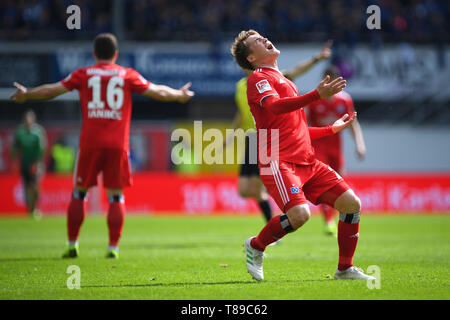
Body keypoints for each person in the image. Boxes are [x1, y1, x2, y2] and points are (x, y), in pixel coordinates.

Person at [11, 33, 194, 259]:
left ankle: (72, 243)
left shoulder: (84, 74)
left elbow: (52, 90)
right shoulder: (127, 75)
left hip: (90, 143)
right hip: (117, 145)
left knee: (79, 193)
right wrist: (179, 95)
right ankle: (113, 247)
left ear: (95, 53)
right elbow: (158, 91)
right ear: (115, 54)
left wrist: (27, 94)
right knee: (116, 197)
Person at [231, 29, 375, 281]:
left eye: (263, 36)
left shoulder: (286, 81)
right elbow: (274, 107)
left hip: (307, 161)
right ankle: (256, 246)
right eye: (257, 42)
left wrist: (332, 129)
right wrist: (317, 95)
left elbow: (298, 130)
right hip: (278, 161)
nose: (265, 39)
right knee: (300, 215)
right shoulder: (258, 78)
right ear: (252, 58)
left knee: (352, 205)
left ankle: (345, 268)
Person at [225, 41, 333, 226]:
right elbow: (242, 113)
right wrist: (230, 136)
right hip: (252, 139)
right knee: (244, 190)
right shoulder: (242, 86)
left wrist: (317, 58)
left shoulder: (274, 78)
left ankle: (274, 225)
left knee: (257, 188)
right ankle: (276, 198)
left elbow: (297, 70)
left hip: (271, 138)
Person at [307, 65, 367, 236]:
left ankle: (335, 216)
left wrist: (360, 144)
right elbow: (304, 123)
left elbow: (353, 123)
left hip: (336, 148)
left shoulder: (345, 100)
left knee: (340, 182)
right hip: (318, 147)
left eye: (333, 80)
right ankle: (328, 221)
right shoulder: (314, 99)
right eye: (327, 80)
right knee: (326, 183)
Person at [11, 109, 47, 219]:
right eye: (26, 119)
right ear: (24, 120)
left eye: (30, 118)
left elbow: (42, 148)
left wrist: (37, 162)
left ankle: (36, 208)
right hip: (24, 163)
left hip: (35, 163)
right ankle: (29, 210)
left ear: (33, 119)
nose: (28, 121)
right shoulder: (20, 132)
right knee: (26, 186)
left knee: (35, 186)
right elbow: (15, 147)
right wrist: (14, 161)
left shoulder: (38, 131)